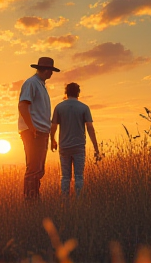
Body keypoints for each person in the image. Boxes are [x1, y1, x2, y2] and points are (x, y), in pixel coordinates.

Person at [18, 57, 60, 199]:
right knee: (34, 168)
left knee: (38, 169)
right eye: (51, 71)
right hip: (34, 132)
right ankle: (30, 201)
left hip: (41, 132)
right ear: (47, 70)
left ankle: (34, 198)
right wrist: (32, 128)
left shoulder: (40, 84)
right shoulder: (31, 83)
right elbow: (22, 106)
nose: (52, 74)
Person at [50, 82, 99, 196]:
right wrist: (96, 148)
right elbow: (90, 128)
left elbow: (53, 126)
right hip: (79, 146)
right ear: (78, 93)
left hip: (64, 147)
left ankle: (65, 203)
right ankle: (79, 201)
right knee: (79, 177)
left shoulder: (59, 107)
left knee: (65, 177)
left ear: (66, 92)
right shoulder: (84, 107)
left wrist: (52, 140)